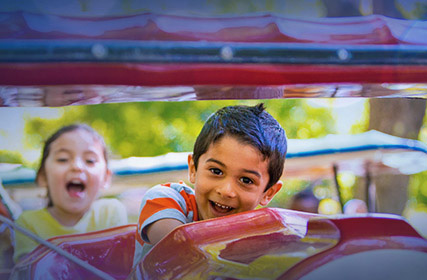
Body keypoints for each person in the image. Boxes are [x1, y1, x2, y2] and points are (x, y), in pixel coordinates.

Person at [133, 103, 287, 266]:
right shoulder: (165, 199)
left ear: (268, 193)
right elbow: (180, 251)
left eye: (246, 180)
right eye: (216, 171)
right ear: (193, 169)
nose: (226, 191)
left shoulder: (259, 231)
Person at [13, 123, 128, 262]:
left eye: (90, 160)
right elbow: (31, 277)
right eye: (63, 159)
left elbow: (121, 267)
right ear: (43, 176)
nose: (77, 166)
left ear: (105, 178)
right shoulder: (28, 223)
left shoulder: (111, 212)